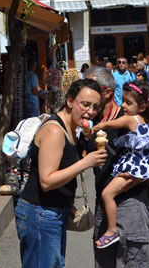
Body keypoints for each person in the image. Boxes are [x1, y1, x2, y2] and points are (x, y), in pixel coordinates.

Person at [15, 79, 107, 268]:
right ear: (70, 101)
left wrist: (66, 203)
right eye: (85, 104)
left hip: (52, 211)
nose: (90, 112)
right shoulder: (55, 131)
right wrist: (85, 163)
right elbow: (47, 181)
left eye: (95, 107)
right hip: (40, 213)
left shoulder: (71, 129)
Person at [84, 67, 149, 268]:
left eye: (91, 87)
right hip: (104, 205)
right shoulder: (89, 120)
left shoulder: (128, 119)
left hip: (132, 203)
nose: (85, 91)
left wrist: (139, 176)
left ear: (106, 93)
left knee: (132, 263)